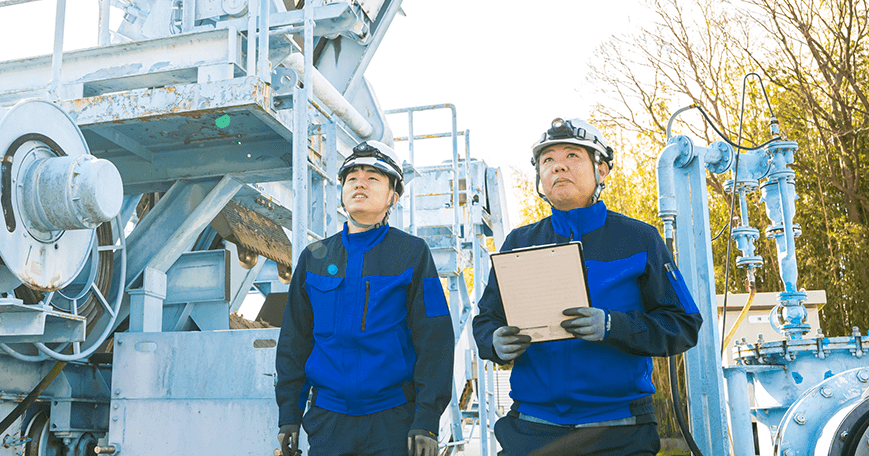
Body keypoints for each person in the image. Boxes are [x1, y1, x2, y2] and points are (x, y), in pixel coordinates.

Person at [472, 119, 703, 456]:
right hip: (533, 429)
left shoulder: (640, 239)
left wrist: (613, 325)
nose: (558, 166)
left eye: (572, 155)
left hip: (620, 429)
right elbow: (486, 320)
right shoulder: (519, 243)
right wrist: (493, 341)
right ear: (539, 177)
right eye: (547, 160)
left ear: (602, 170)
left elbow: (683, 325)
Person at [275, 140, 453, 456]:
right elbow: (294, 339)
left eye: (373, 177)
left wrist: (427, 420)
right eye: (352, 178)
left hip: (392, 420)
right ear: (342, 191)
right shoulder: (314, 258)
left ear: (393, 196)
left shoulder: (412, 254)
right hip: (328, 423)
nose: (360, 184)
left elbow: (435, 340)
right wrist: (289, 414)